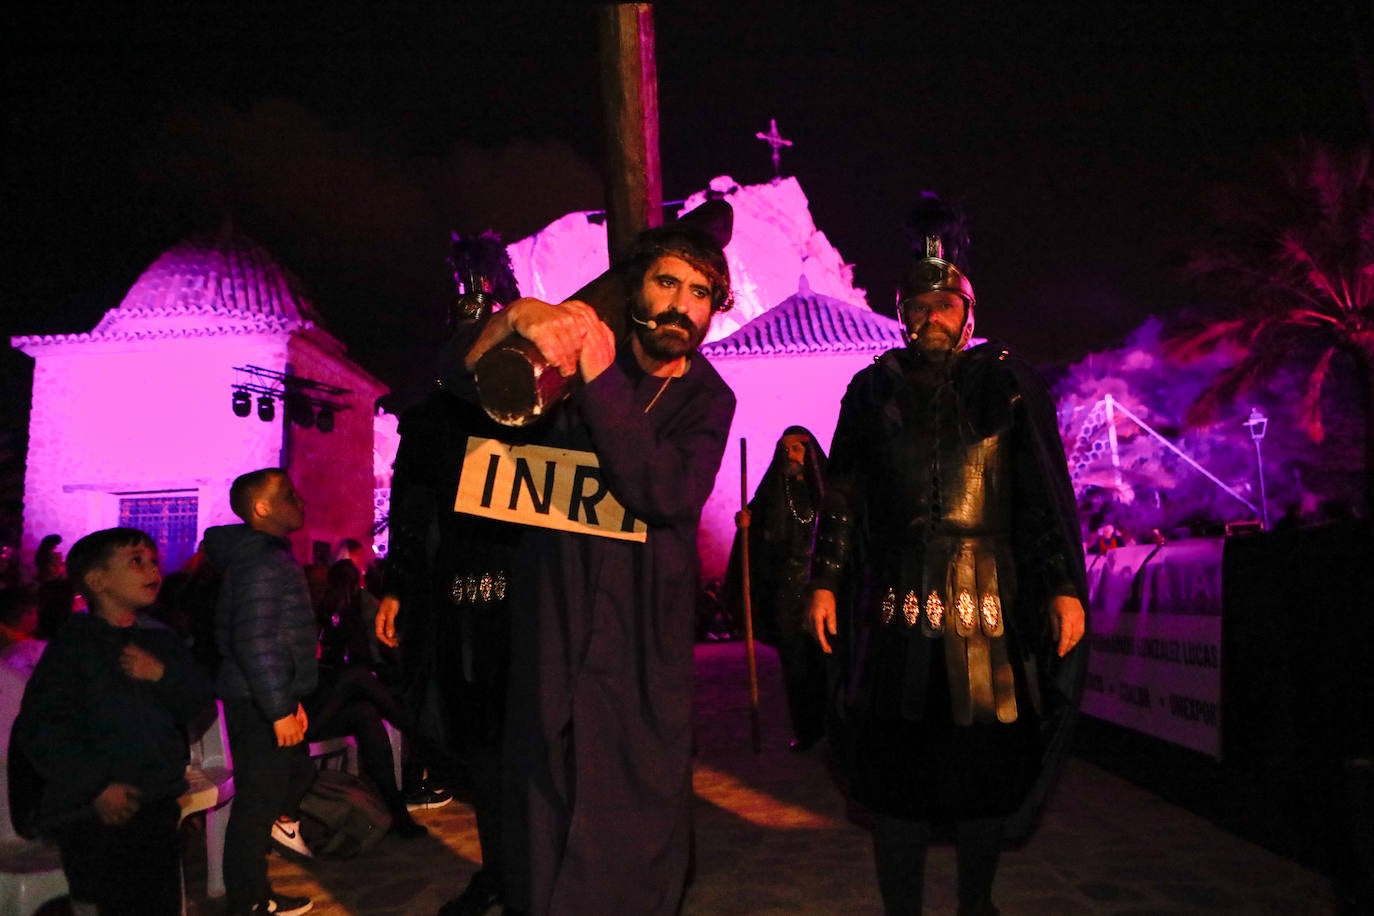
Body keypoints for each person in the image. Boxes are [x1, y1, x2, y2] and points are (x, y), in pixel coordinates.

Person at [383, 203, 737, 914]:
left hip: (641, 639)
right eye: (668, 283)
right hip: (551, 620)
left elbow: (661, 490)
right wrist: (515, 323)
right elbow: (456, 383)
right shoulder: (561, 375)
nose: (681, 306)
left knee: (635, 802)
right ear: (636, 288)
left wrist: (601, 381)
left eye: (700, 294)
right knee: (542, 791)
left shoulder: (705, 398)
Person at [807, 194, 1088, 916]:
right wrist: (827, 581)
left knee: (984, 768)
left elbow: (1037, 499)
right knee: (895, 762)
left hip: (990, 606)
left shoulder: (1009, 385)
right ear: (902, 311)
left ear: (968, 312)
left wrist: (1062, 586)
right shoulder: (870, 390)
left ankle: (977, 905)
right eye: (917, 304)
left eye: (943, 304)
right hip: (893, 603)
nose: (929, 316)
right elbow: (843, 494)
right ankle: (902, 906)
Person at [377, 231, 526, 916]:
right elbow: (411, 508)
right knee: (483, 751)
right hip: (462, 607)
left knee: (541, 748)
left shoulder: (541, 402)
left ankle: (543, 872)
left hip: (537, 600)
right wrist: (398, 586)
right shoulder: (434, 416)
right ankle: (502, 872)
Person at [14, 527, 213, 915]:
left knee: (158, 899)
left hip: (155, 798)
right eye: (136, 561)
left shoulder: (162, 642)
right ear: (97, 580)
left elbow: (197, 700)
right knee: (107, 901)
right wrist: (96, 786)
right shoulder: (75, 647)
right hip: (94, 809)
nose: (152, 569)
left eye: (153, 561)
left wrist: (163, 676)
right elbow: (44, 728)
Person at [204, 468, 319, 916]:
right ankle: (249, 900)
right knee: (257, 802)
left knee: (273, 790)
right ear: (262, 508)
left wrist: (290, 698)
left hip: (264, 694)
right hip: (256, 699)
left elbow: (270, 637)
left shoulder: (263, 556)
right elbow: (255, 639)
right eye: (289, 495)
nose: (300, 500)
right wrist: (278, 709)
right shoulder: (262, 561)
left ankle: (251, 894)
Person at [724, 425, 829, 751]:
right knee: (795, 664)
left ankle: (835, 731)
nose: (789, 455)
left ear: (810, 452)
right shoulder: (772, 491)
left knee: (828, 661)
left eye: (796, 449)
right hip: (787, 588)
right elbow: (756, 529)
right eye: (784, 450)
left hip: (820, 587)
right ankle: (808, 730)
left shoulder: (824, 491)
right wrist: (747, 524)